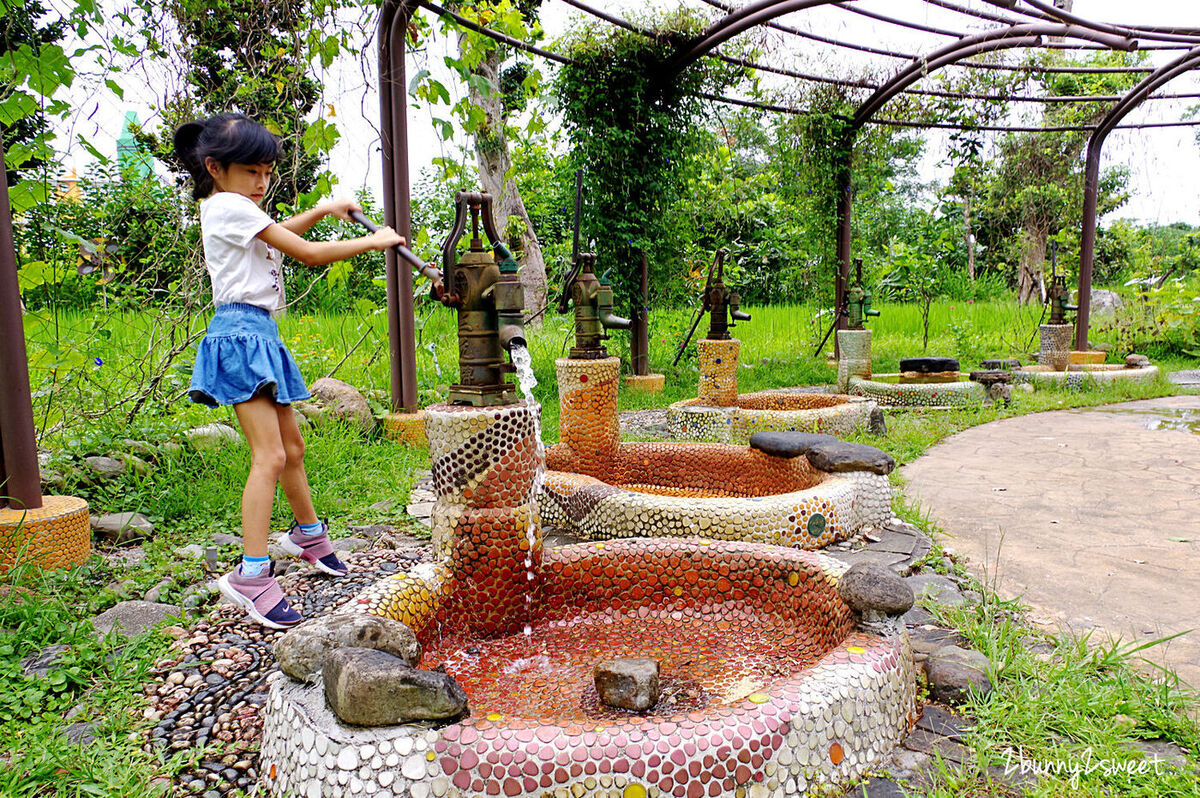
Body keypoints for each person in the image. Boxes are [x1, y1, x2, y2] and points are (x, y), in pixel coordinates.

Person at [173, 112, 403, 629]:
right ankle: (250, 574)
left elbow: (281, 234)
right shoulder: (227, 206)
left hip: (259, 334)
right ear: (215, 167)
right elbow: (309, 255)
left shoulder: (233, 208)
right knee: (270, 455)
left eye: (267, 173)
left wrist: (323, 208)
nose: (261, 183)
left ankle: (308, 536)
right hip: (239, 336)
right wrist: (374, 240)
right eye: (251, 171)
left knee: (292, 449)